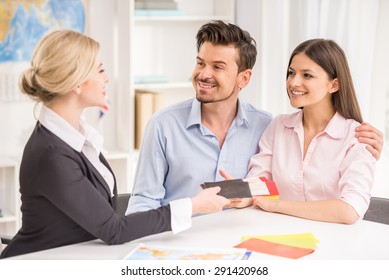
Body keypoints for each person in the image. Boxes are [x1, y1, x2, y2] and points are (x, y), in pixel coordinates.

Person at [0, 30, 229, 259]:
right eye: (100, 70)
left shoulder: (76, 135)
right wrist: (193, 206)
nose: (106, 78)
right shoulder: (51, 153)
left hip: (76, 256)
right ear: (77, 83)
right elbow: (115, 230)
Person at [126, 20, 383, 215]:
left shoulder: (264, 124)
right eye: (200, 63)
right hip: (182, 243)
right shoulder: (164, 125)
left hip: (255, 242)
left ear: (244, 78)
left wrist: (265, 201)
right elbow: (142, 204)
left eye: (217, 67)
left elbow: (349, 205)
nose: (203, 74)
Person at [225, 38, 376, 224]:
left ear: (334, 85)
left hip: (335, 243)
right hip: (281, 237)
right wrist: (240, 194)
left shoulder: (358, 137)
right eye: (291, 73)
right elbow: (260, 182)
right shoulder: (279, 126)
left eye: (307, 75)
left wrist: (277, 205)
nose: (294, 82)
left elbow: (349, 210)